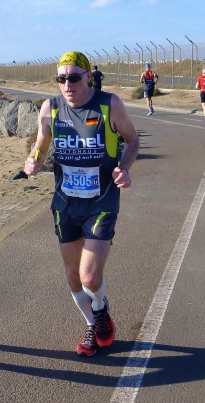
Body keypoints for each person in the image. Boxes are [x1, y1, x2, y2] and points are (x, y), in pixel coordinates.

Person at [24, 51, 140, 357]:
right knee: (73, 276)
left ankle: (100, 307)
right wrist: (33, 160)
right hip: (65, 203)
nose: (67, 85)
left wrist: (124, 168)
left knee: (90, 276)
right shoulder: (50, 107)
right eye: (61, 79)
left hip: (102, 201)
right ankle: (92, 324)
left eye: (74, 78)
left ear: (88, 76)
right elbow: (41, 144)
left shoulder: (109, 104)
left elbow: (132, 140)